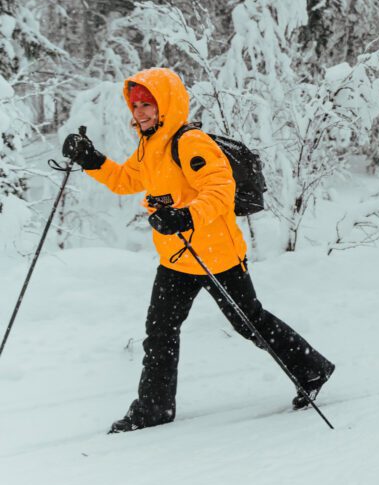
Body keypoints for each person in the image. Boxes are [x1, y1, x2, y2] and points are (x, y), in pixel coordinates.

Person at [62, 67, 334, 433]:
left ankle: (312, 370)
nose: (140, 112)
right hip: (176, 258)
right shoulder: (149, 144)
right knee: (159, 331)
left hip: (216, 255)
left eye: (148, 104)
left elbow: (219, 192)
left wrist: (184, 216)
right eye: (136, 104)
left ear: (167, 105)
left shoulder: (191, 143)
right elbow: (128, 180)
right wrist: (91, 159)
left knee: (249, 321)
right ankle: (154, 408)